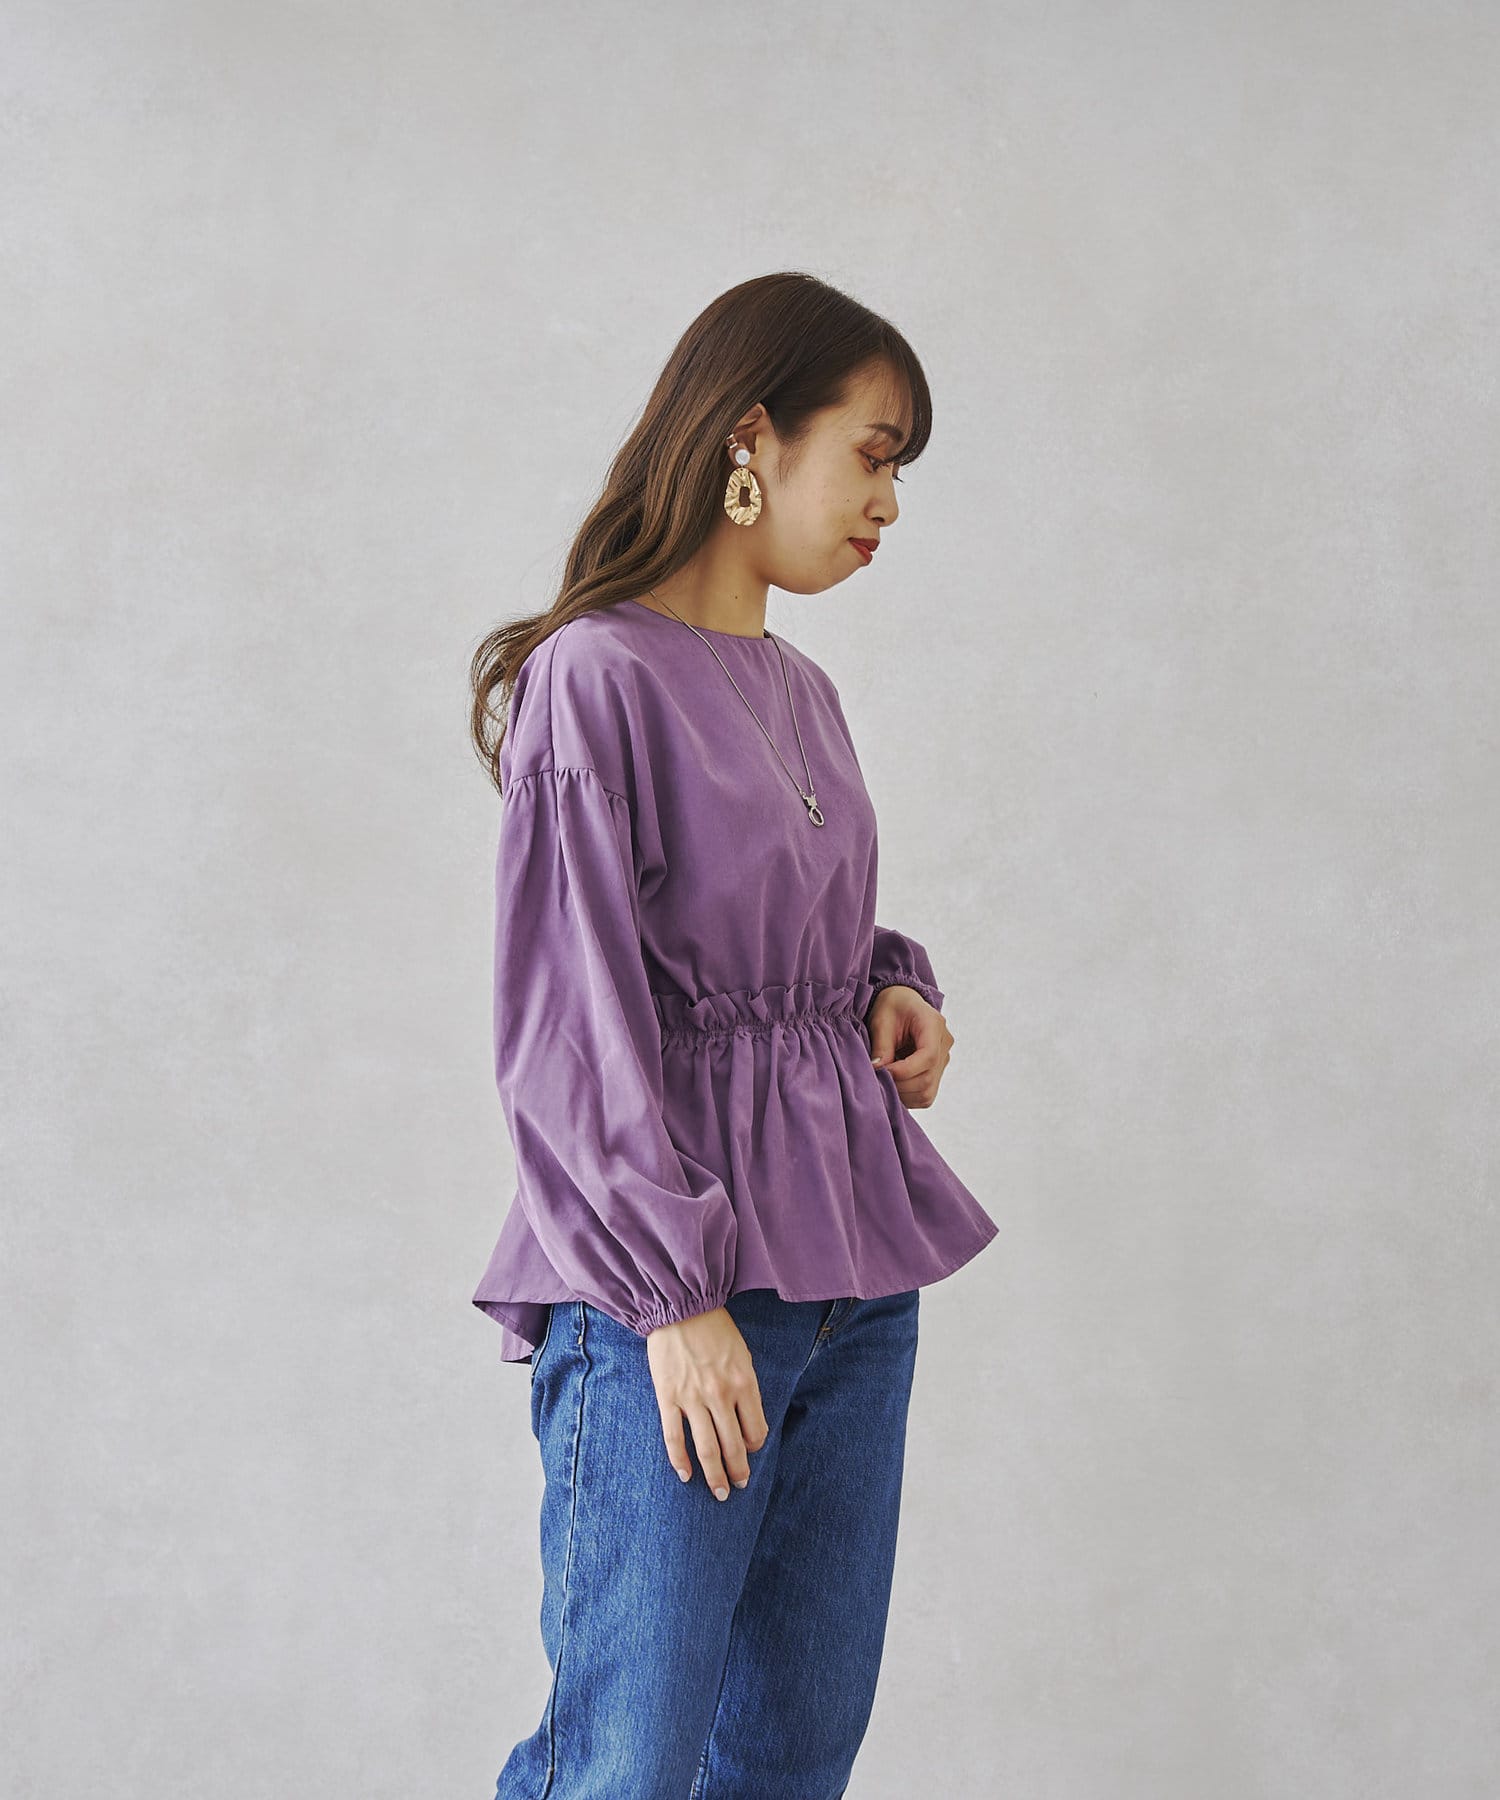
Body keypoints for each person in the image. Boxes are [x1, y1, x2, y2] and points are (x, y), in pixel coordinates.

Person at [466, 270, 999, 1799]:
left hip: (854, 1288)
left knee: (786, 1761)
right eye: (875, 455)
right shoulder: (596, 675)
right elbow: (570, 1014)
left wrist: (886, 989)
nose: (889, 501)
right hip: (678, 1299)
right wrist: (673, 1297)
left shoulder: (805, 691)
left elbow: (766, 938)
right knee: (623, 1764)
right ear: (752, 438)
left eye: (902, 471)